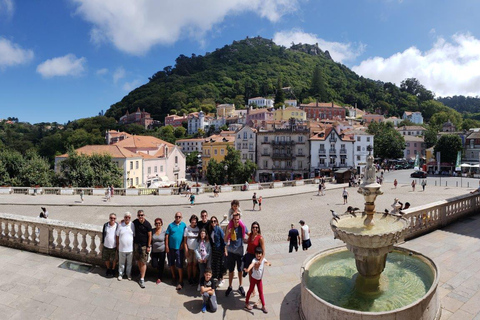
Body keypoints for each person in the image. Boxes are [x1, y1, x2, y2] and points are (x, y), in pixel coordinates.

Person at [224, 213, 247, 297]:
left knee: (240, 270)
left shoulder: (242, 227)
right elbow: (225, 239)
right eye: (235, 219)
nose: (236, 221)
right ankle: (230, 286)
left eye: (237, 219)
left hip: (240, 252)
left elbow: (248, 233)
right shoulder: (229, 227)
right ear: (232, 220)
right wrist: (228, 233)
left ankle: (240, 286)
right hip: (231, 252)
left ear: (239, 219)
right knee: (231, 270)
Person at [244, 246, 271, 313]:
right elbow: (251, 265)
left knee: (261, 292)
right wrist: (248, 270)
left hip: (259, 280)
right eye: (257, 254)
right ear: (255, 254)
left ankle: (263, 306)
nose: (258, 255)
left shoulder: (263, 259)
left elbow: (267, 262)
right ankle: (247, 303)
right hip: (253, 279)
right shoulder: (254, 260)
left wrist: (269, 263)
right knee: (250, 290)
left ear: (262, 254)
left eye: (259, 253)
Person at [166, 212, 187, 290]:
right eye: (176, 216)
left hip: (179, 248)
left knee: (179, 264)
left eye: (179, 217)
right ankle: (174, 277)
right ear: (174, 217)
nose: (178, 218)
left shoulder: (184, 225)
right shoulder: (170, 225)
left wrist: (183, 244)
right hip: (171, 248)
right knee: (171, 263)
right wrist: (167, 246)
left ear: (181, 218)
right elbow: (167, 236)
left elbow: (185, 236)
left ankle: (181, 280)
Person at [133, 210, 152, 289]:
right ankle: (141, 273)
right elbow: (128, 223)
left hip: (144, 246)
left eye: (142, 215)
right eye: (139, 215)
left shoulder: (147, 224)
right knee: (138, 260)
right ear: (137, 216)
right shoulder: (135, 222)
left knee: (143, 262)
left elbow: (150, 236)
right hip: (137, 244)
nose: (140, 217)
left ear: (144, 215)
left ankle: (142, 279)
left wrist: (148, 246)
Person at [116, 212, 135, 281]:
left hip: (130, 249)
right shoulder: (120, 225)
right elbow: (117, 235)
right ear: (124, 218)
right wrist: (118, 244)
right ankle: (120, 274)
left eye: (129, 217)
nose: (127, 218)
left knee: (129, 264)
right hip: (121, 248)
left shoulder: (132, 225)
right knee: (121, 263)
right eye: (126, 217)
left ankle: (128, 274)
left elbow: (134, 235)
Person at [209, 216, 225, 287]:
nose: (213, 222)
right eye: (212, 221)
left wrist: (225, 250)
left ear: (217, 222)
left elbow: (223, 239)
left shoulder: (219, 229)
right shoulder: (211, 230)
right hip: (214, 249)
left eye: (214, 221)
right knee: (215, 264)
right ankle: (218, 278)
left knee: (220, 264)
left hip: (219, 249)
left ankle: (221, 279)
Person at [184, 214, 199, 285]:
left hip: (196, 250)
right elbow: (185, 241)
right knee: (189, 264)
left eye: (195, 220)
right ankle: (189, 278)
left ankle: (194, 277)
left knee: (194, 265)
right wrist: (186, 250)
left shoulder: (198, 229)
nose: (194, 221)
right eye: (192, 220)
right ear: (190, 220)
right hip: (189, 249)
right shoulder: (187, 229)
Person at [101, 213, 118, 277]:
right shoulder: (106, 225)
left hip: (114, 246)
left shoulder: (117, 225)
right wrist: (102, 242)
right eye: (111, 218)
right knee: (106, 258)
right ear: (109, 218)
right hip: (106, 245)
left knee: (114, 259)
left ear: (115, 219)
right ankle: (108, 269)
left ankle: (113, 269)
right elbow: (103, 234)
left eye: (114, 218)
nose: (112, 219)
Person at [150, 218, 166, 285]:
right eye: (156, 223)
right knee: (154, 264)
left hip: (162, 250)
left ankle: (159, 277)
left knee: (161, 264)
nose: (158, 224)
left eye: (159, 223)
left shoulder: (164, 231)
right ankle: (159, 268)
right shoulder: (152, 231)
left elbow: (167, 240)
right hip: (154, 251)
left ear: (161, 224)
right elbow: (150, 239)